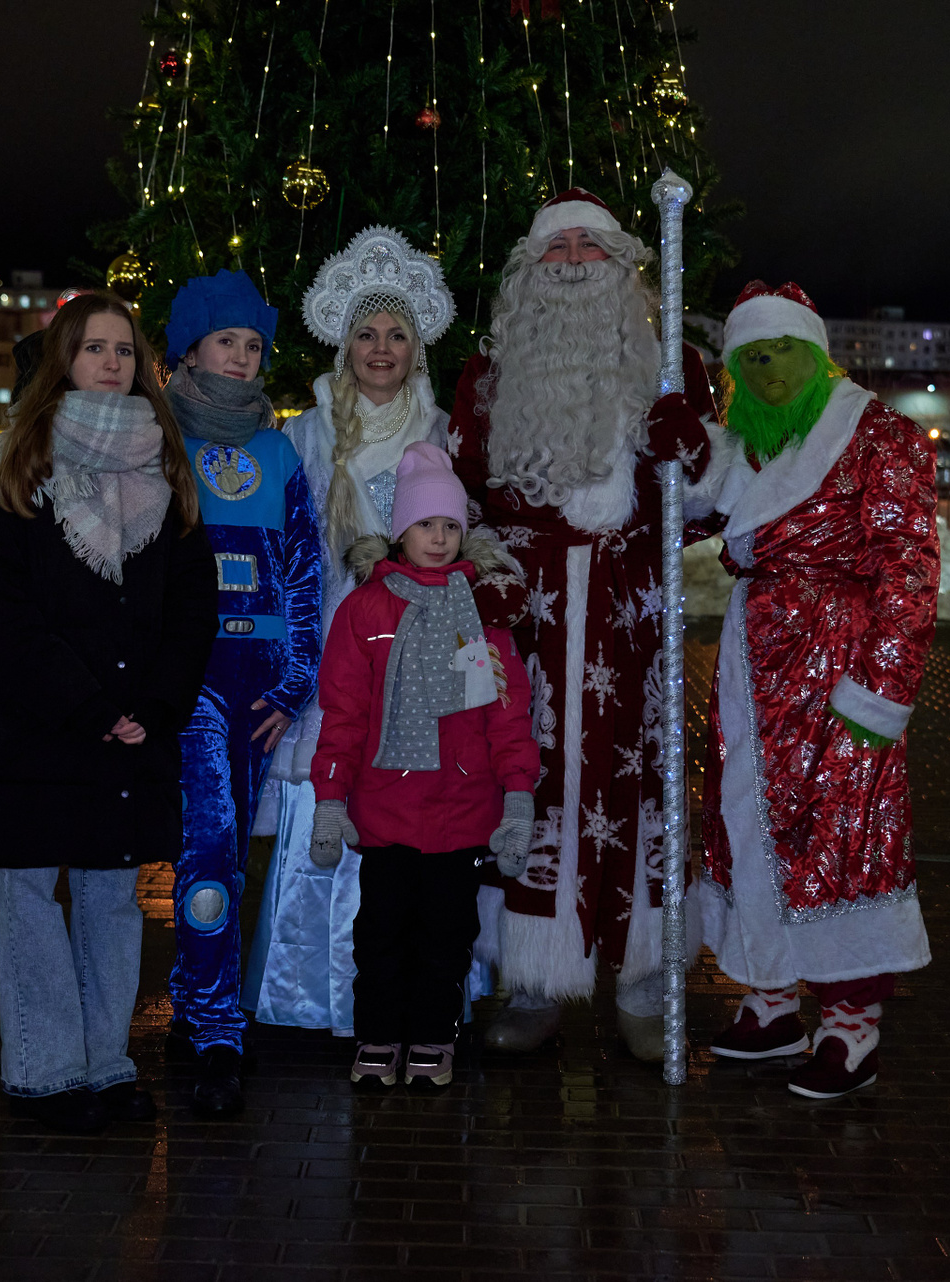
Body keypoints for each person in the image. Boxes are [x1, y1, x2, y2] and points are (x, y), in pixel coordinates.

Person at [446, 188, 720, 1061]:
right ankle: (531, 980)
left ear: (621, 264)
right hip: (529, 618)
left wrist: (691, 452)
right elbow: (461, 499)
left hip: (630, 615)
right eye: (554, 248)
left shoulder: (670, 365)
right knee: (527, 779)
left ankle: (644, 981)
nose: (570, 262)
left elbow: (708, 508)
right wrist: (487, 569)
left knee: (641, 783)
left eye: (588, 247)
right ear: (529, 268)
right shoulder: (488, 375)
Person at [247, 227, 524, 1036]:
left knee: (422, 825)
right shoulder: (305, 434)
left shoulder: (443, 432)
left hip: (429, 650)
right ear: (345, 343)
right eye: (365, 333)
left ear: (416, 346)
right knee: (331, 796)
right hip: (339, 649)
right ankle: (313, 995)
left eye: (395, 333)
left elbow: (467, 540)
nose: (380, 348)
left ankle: (426, 1003)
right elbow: (283, 555)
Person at [0, 291, 216, 1134]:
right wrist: (85, 702)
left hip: (132, 728)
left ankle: (105, 1063)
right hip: (37, 727)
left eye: (124, 350)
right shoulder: (13, 463)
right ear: (62, 360)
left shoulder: (167, 469)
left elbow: (193, 606)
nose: (111, 362)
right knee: (29, 898)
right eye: (94, 347)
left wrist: (155, 705)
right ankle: (44, 1071)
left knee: (111, 901)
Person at [694, 280, 937, 1099]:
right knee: (749, 825)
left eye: (782, 352)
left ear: (816, 352)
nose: (767, 370)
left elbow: (909, 569)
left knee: (841, 838)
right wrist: (677, 458)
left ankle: (851, 1023)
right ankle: (772, 999)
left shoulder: (879, 436)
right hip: (752, 666)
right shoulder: (744, 443)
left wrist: (881, 690)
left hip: (840, 667)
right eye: (751, 357)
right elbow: (684, 516)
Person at [306, 442, 541, 1087]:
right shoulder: (366, 610)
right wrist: (330, 796)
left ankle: (435, 1035)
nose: (438, 539)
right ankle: (378, 1034)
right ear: (399, 531)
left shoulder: (480, 612)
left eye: (450, 526)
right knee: (381, 934)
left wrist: (518, 795)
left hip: (461, 810)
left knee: (446, 936)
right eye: (424, 524)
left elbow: (505, 710)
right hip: (385, 809)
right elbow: (344, 712)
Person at [162, 269, 325, 1116]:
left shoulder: (278, 451)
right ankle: (218, 1027)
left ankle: (194, 997)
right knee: (210, 844)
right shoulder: (157, 445)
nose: (241, 356)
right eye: (225, 341)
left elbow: (304, 572)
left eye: (254, 345)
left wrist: (296, 681)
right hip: (190, 679)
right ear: (189, 350)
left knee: (228, 853)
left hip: (258, 684)